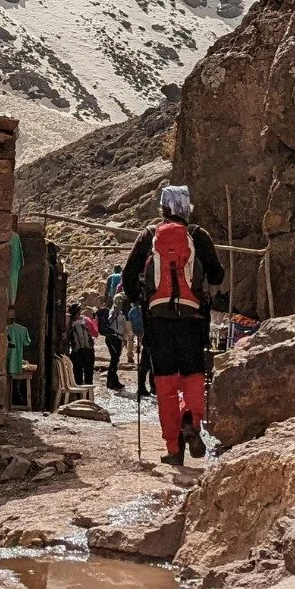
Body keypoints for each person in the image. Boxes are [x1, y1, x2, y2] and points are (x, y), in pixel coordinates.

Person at [123, 184, 224, 465]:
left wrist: (140, 298)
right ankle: (191, 419)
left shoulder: (148, 235)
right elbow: (217, 274)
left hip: (158, 322)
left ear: (163, 209)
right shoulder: (198, 235)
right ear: (186, 209)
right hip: (193, 320)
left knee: (165, 384)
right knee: (193, 375)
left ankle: (174, 448)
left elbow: (129, 275)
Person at [67, 302, 95, 389]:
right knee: (85, 375)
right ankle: (84, 394)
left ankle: (84, 393)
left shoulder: (75, 324)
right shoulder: (76, 325)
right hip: (83, 352)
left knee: (81, 375)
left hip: (81, 352)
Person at [105, 293, 127, 392]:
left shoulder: (121, 312)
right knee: (114, 360)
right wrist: (115, 312)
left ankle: (114, 381)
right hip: (113, 338)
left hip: (118, 338)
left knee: (115, 360)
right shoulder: (113, 310)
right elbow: (109, 321)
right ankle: (111, 382)